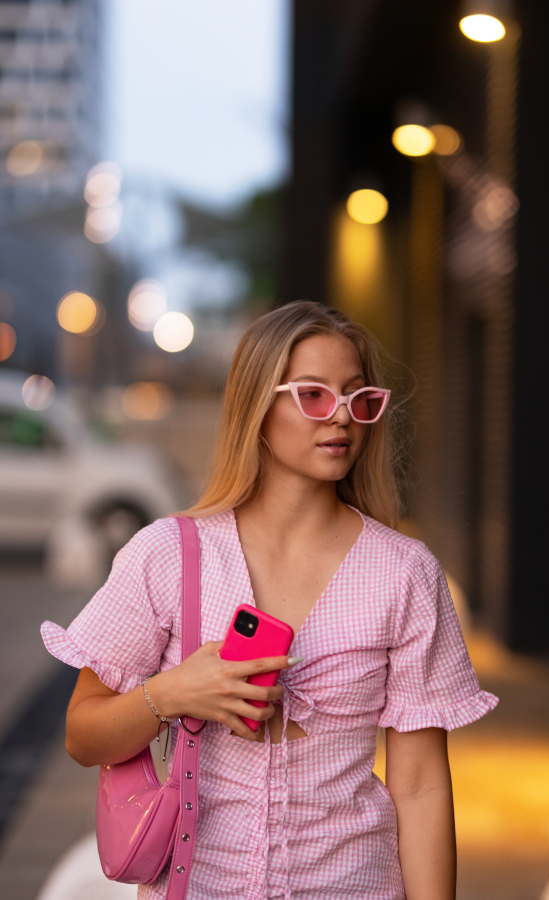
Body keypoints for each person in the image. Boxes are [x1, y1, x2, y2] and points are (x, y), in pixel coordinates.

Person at [42, 301, 498, 900]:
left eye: (357, 398)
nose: (340, 418)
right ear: (258, 405)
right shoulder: (167, 555)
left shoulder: (404, 573)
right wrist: (172, 693)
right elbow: (83, 736)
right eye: (313, 394)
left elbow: (420, 787)